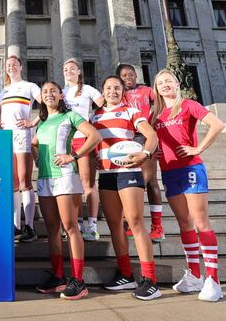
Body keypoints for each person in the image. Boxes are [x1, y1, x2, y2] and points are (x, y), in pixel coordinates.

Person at [151, 69, 225, 302]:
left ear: (176, 83)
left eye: (168, 81)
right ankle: (194, 275)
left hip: (191, 168)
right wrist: (154, 153)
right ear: (156, 87)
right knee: (185, 223)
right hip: (170, 172)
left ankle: (213, 280)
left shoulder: (189, 105)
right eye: (160, 82)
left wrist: (198, 148)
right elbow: (156, 143)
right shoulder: (156, 115)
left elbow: (217, 124)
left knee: (201, 222)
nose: (164, 85)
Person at [92, 76, 161, 301]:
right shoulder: (95, 116)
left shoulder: (131, 111)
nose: (113, 91)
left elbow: (151, 136)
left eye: (117, 88)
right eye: (109, 88)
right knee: (114, 225)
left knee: (135, 222)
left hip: (128, 172)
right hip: (106, 175)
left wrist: (145, 153)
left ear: (123, 91)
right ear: (103, 91)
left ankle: (150, 280)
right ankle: (126, 274)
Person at [33, 81, 102, 300]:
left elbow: (94, 136)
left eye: (53, 90)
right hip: (45, 178)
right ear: (41, 98)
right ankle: (59, 277)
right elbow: (35, 144)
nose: (49, 94)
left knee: (71, 227)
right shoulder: (42, 122)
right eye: (45, 92)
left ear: (61, 96)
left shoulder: (70, 116)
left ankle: (79, 280)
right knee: (52, 229)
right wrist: (38, 160)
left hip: (65, 177)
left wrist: (73, 156)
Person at [0, 55, 42, 242]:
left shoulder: (30, 86)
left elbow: (45, 103)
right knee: (12, 183)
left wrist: (33, 122)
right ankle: (15, 226)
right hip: (7, 137)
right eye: (8, 65)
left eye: (14, 64)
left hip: (23, 135)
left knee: (24, 180)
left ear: (21, 67)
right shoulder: (3, 90)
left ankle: (30, 226)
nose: (11, 67)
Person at [117, 63, 164, 243]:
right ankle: (131, 224)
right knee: (128, 184)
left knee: (150, 180)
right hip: (126, 140)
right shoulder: (118, 94)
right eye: (124, 75)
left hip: (145, 137)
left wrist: (154, 120)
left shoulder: (145, 91)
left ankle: (157, 226)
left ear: (136, 76)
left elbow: (161, 102)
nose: (128, 77)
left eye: (131, 74)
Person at [61, 58, 104, 241]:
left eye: (72, 68)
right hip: (65, 143)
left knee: (88, 183)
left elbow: (104, 104)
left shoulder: (88, 89)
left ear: (79, 71)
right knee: (73, 185)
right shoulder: (62, 92)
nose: (69, 71)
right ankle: (77, 222)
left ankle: (92, 224)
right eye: (65, 69)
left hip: (84, 140)